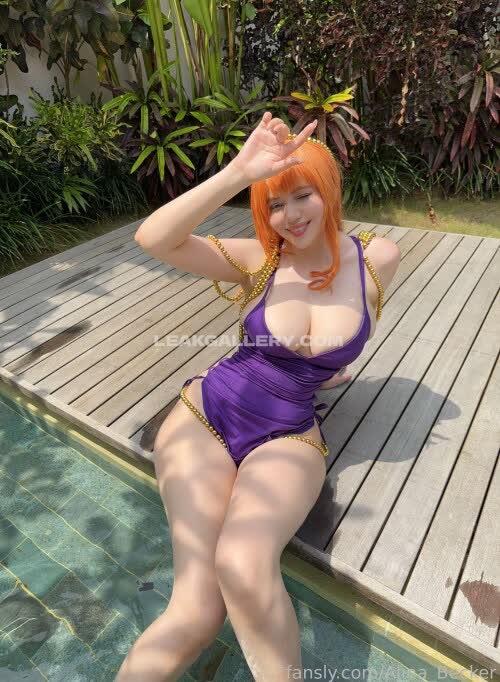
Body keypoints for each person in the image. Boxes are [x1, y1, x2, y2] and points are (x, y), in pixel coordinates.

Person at [115, 111, 401, 681]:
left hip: (289, 431)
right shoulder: (261, 260)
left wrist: (322, 369)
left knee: (244, 563)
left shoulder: (377, 259)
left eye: (302, 195)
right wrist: (237, 174)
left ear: (328, 189)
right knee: (197, 614)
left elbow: (340, 328)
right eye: (274, 203)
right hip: (208, 416)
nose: (290, 215)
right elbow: (153, 239)